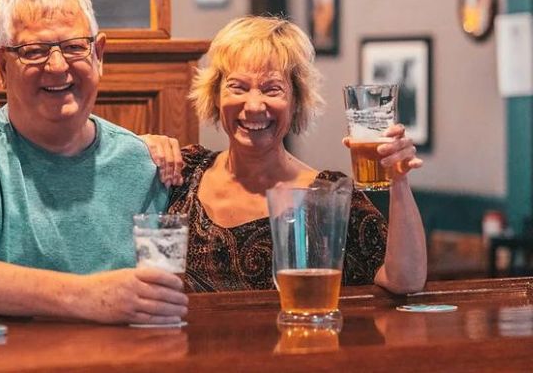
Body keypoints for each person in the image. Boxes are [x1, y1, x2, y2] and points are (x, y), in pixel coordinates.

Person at [0, 0, 187, 324]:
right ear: (1, 65)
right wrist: (89, 296)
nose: (57, 66)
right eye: (34, 51)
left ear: (98, 54)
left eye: (74, 47)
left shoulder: (146, 163)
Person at [169, 16, 427, 294]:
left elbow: (405, 279)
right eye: (238, 87)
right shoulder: (183, 174)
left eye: (272, 89)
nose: (254, 105)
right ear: (216, 96)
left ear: (296, 102)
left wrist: (399, 181)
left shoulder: (328, 195)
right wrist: (147, 146)